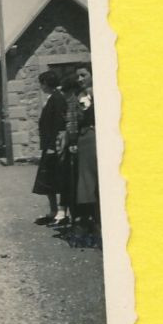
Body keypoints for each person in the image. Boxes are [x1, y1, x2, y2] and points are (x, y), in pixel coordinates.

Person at [65, 66, 100, 244]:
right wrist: (72, 142)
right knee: (87, 181)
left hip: (104, 139)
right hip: (85, 141)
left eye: (83, 75)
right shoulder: (76, 98)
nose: (79, 79)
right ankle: (90, 223)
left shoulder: (105, 92)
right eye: (77, 75)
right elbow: (71, 121)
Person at [32, 70, 70, 226]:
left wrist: (54, 146)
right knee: (48, 181)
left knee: (58, 180)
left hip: (55, 147)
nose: (41, 86)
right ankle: (53, 211)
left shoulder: (58, 99)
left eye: (41, 83)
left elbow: (58, 125)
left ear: (46, 83)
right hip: (49, 146)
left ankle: (62, 213)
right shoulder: (51, 98)